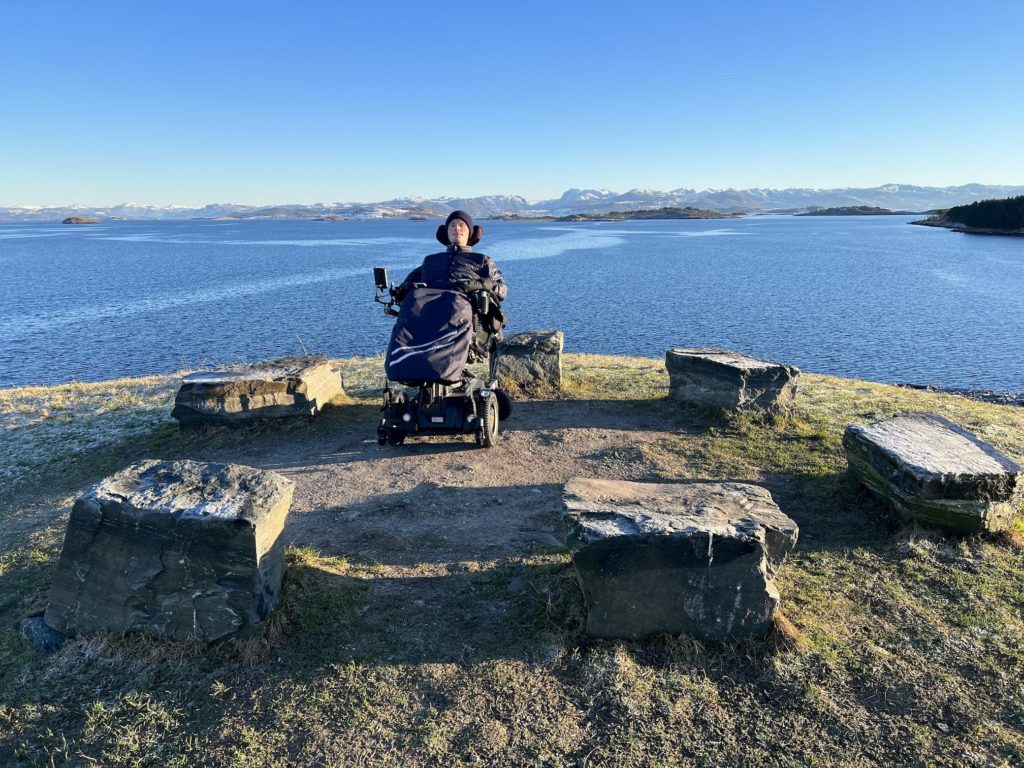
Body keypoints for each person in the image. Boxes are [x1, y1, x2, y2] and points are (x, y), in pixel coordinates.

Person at [396, 210, 507, 304]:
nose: (457, 228)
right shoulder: (430, 261)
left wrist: (483, 284)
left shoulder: (482, 260)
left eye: (461, 225)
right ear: (447, 232)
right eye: (452, 225)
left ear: (469, 233)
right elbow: (405, 287)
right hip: (430, 318)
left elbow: (503, 290)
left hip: (469, 320)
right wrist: (401, 291)